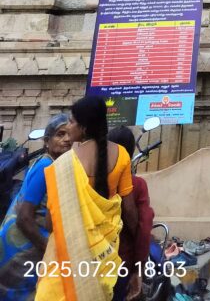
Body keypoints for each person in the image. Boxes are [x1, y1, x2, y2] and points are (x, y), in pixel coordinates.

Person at [36, 95, 138, 301]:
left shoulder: (62, 164)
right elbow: (129, 211)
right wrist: (136, 247)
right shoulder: (122, 155)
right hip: (104, 254)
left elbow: (50, 223)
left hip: (68, 257)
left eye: (72, 122)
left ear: (83, 128)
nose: (69, 126)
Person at [0, 115, 70, 300]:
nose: (67, 139)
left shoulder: (50, 164)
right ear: (47, 141)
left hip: (25, 243)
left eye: (69, 134)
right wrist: (48, 248)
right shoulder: (46, 165)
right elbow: (24, 215)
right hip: (22, 247)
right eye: (60, 134)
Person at [107, 127, 155, 301]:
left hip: (92, 261)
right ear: (131, 151)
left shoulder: (90, 179)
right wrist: (138, 269)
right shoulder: (137, 185)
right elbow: (142, 230)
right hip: (122, 262)